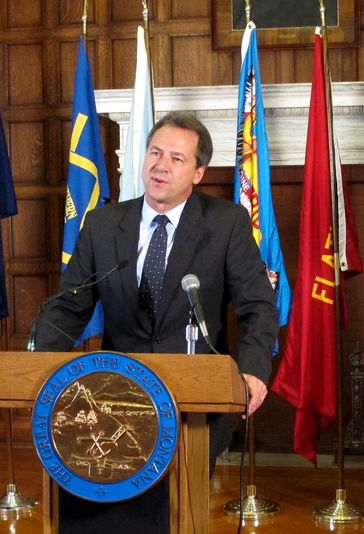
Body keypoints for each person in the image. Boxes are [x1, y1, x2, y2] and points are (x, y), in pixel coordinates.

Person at [33, 110, 279, 458]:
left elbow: (257, 305)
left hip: (195, 402)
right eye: (155, 152)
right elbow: (69, 305)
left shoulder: (226, 224)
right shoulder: (103, 224)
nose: (160, 165)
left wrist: (253, 370)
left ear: (198, 172)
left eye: (176, 158)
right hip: (115, 398)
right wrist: (37, 364)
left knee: (179, 509)